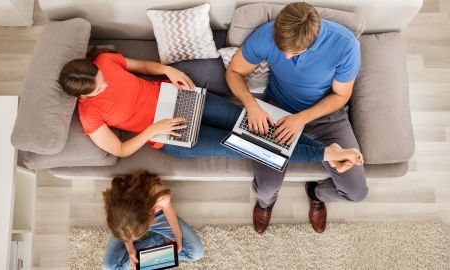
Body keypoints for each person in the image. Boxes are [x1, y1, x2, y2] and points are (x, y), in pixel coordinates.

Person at [58, 48, 362, 171]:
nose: (105, 86)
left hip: (179, 98)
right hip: (168, 134)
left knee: (252, 125)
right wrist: (153, 129)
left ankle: (326, 149)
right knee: (246, 146)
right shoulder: (89, 114)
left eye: (100, 80)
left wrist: (166, 70)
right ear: (82, 98)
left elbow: (140, 66)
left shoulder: (105, 62)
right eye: (98, 90)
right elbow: (121, 150)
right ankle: (325, 153)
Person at [226, 2, 369, 234]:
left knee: (357, 193)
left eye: (295, 52)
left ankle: (315, 193)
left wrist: (302, 118)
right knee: (265, 189)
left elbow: (341, 95)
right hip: (278, 112)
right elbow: (233, 72)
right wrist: (251, 104)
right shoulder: (267, 34)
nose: (286, 56)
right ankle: (266, 204)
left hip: (325, 117)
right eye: (282, 49)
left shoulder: (345, 45)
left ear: (313, 41)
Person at [102, 170, 204, 270]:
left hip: (158, 216)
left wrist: (177, 235)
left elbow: (167, 208)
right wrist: (130, 248)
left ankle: (158, 245)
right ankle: (161, 241)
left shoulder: (157, 194)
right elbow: (125, 229)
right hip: (130, 221)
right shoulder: (117, 205)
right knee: (108, 268)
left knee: (196, 253)